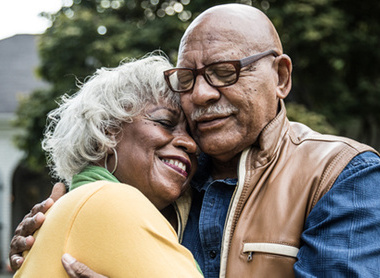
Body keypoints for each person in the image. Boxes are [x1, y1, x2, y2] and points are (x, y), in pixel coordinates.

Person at [10, 4, 380, 277]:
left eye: (224, 72)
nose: (200, 94)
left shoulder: (341, 174)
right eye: (187, 78)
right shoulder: (165, 184)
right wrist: (55, 233)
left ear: (281, 77)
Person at [12, 55, 203, 277]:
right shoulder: (112, 198)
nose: (191, 144)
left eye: (192, 134)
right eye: (165, 122)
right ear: (106, 131)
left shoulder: (74, 207)